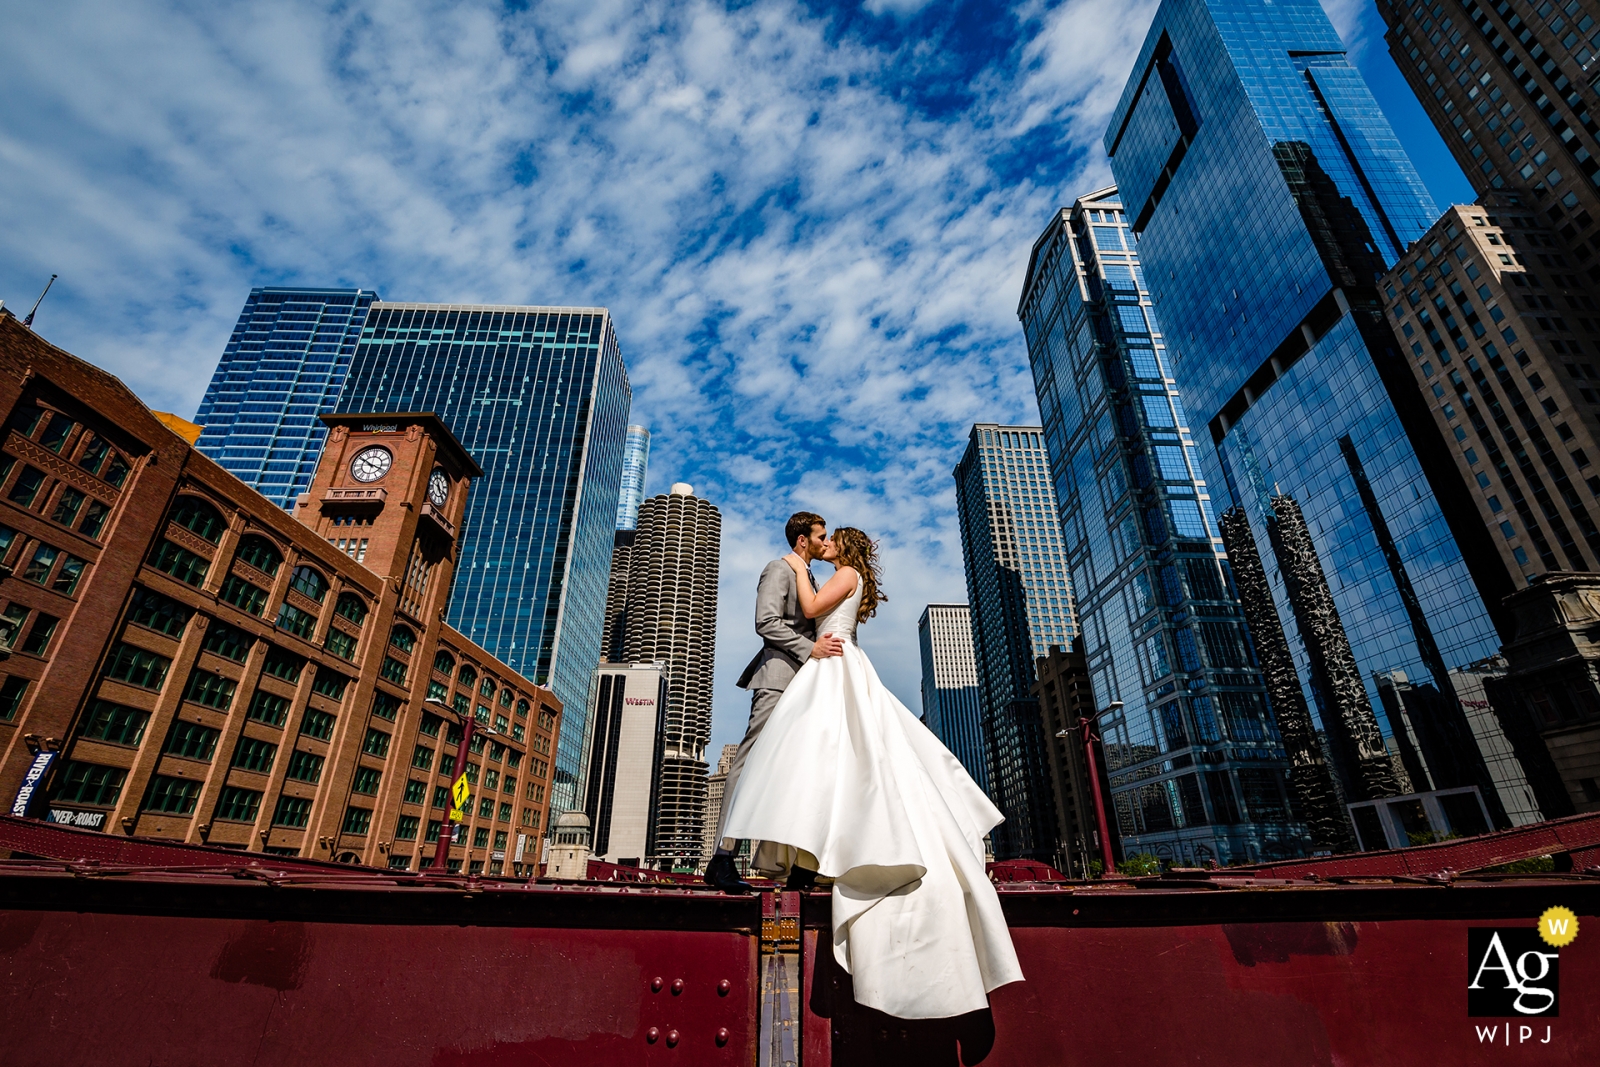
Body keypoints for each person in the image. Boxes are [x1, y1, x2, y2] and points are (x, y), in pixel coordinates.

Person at [719, 526, 1024, 1020]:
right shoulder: (847, 573)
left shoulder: (844, 573)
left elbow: (815, 610)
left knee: (831, 756)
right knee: (828, 760)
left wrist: (798, 569)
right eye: (821, 537)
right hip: (833, 662)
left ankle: (813, 859)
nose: (827, 543)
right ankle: (811, 857)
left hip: (833, 663)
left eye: (832, 537)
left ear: (845, 547)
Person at [703, 511, 844, 894]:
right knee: (747, 766)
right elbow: (765, 621)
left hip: (802, 685)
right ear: (802, 540)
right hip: (778, 680)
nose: (824, 540)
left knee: (798, 771)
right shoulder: (778, 569)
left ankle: (799, 864)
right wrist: (810, 648)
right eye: (820, 535)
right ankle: (721, 858)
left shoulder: (809, 575)